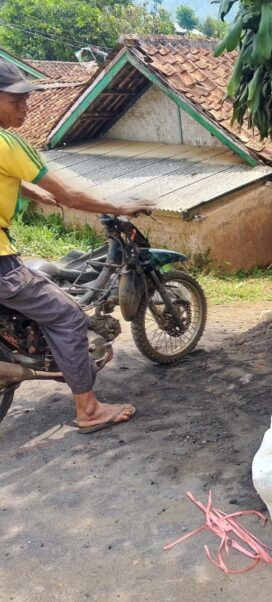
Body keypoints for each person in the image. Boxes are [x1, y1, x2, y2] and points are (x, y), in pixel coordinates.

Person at [0, 60, 151, 433]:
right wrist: (119, 206)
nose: (25, 106)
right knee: (68, 315)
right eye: (16, 99)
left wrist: (31, 190)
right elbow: (70, 195)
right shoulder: (7, 143)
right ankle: (89, 410)